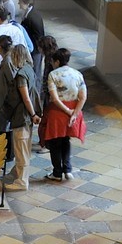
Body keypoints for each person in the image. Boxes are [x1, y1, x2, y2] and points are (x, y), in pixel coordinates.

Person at [41, 48, 86, 182]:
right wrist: (74, 113)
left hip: (57, 111)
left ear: (57, 61)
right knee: (66, 140)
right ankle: (67, 169)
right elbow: (83, 97)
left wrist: (67, 111)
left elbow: (54, 98)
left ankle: (57, 172)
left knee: (55, 141)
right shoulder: (77, 74)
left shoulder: (53, 75)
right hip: (74, 109)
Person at [1, 44, 39, 190]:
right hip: (28, 116)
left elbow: (26, 98)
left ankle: (22, 182)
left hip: (21, 116)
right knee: (25, 147)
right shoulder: (30, 69)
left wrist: (33, 114)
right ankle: (17, 173)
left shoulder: (21, 75)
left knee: (21, 148)